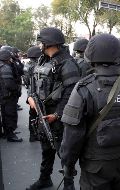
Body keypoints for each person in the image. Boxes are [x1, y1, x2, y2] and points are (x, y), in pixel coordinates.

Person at [60, 34, 120, 190]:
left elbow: (72, 137)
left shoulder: (84, 88)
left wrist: (68, 164)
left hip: (95, 166)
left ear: (90, 55)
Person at [26, 27, 80, 190]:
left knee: (63, 153)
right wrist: (30, 98)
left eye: (41, 42)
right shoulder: (42, 60)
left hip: (59, 118)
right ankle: (45, 178)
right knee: (46, 150)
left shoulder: (67, 63)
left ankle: (68, 185)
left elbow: (72, 93)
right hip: (43, 114)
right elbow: (33, 83)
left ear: (49, 43)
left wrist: (57, 114)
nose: (39, 45)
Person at [0, 50, 23, 142]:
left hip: (3, 96)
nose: (11, 59)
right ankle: (11, 135)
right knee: (10, 115)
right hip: (8, 96)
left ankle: (7, 132)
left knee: (5, 115)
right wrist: (16, 90)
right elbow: (9, 84)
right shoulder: (5, 67)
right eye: (10, 58)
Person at [25, 46, 42, 142]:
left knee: (32, 114)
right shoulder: (35, 66)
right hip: (35, 93)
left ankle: (33, 134)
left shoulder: (27, 65)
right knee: (37, 114)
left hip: (30, 92)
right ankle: (35, 134)